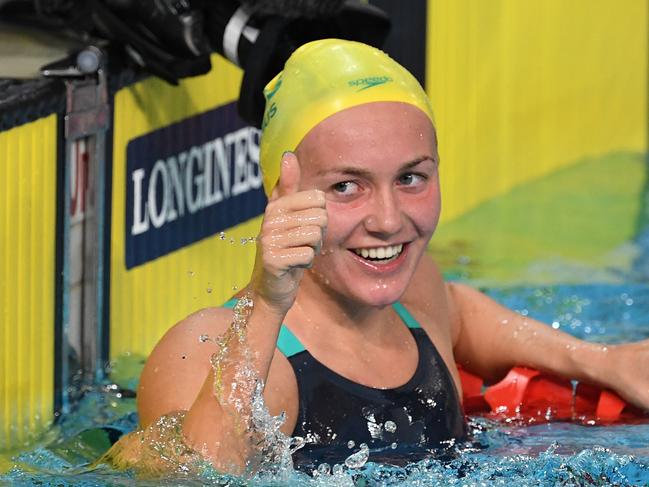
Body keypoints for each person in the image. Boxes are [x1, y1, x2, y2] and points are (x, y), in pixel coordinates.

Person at [114, 39, 649, 475]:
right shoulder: (208, 347)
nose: (390, 220)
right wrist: (267, 300)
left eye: (411, 178)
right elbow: (199, 476)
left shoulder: (413, 294)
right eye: (348, 186)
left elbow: (460, 312)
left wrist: (601, 361)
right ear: (283, 192)